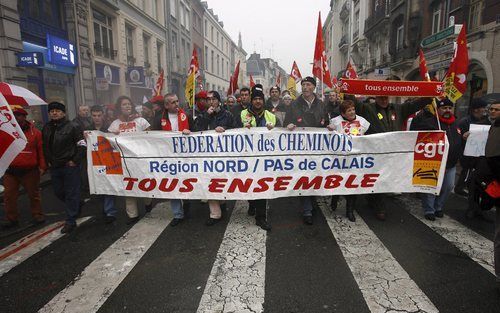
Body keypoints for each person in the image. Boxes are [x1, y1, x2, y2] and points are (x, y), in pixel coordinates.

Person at [353, 92, 429, 220]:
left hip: (393, 152)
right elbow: (353, 103)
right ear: (376, 97)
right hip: (376, 151)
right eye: (381, 97)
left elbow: (416, 104)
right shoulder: (367, 108)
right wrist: (347, 90)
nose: (383, 100)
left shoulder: (398, 109)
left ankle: (373, 199)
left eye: (385, 98)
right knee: (378, 177)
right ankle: (380, 207)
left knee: (386, 178)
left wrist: (429, 95)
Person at [284, 76, 328, 225]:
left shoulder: (322, 105)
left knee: (315, 175)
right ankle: (307, 209)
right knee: (304, 176)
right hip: (301, 148)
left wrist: (329, 127)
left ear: (313, 87)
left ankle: (311, 200)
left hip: (318, 148)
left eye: (308, 84)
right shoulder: (294, 105)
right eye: (303, 84)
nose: (304, 87)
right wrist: (289, 124)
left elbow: (326, 122)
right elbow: (286, 123)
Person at [410, 98, 462, 221]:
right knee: (430, 186)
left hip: (450, 163)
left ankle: (438, 206)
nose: (447, 110)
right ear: (438, 110)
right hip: (434, 162)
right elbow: (417, 134)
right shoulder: (430, 123)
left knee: (448, 186)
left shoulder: (456, 123)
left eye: (449, 108)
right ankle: (429, 209)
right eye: (444, 108)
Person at [192, 90, 236, 226]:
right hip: (207, 155)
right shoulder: (203, 114)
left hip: (223, 155)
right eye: (208, 99)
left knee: (221, 181)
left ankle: (222, 204)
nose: (210, 102)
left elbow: (235, 130)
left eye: (213, 99)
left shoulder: (227, 114)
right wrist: (206, 116)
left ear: (218, 100)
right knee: (209, 181)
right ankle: (215, 214)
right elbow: (197, 128)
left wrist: (224, 129)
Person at [42, 101, 86, 233]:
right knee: (58, 191)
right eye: (51, 111)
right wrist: (47, 161)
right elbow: (44, 146)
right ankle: (77, 204)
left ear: (63, 113)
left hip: (69, 166)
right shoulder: (46, 127)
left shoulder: (73, 126)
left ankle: (70, 220)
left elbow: (82, 145)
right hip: (55, 166)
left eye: (57, 110)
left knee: (71, 193)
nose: (54, 113)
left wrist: (74, 160)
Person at [108, 96, 153, 224]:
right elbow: (107, 143)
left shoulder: (141, 121)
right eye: (124, 104)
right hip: (125, 161)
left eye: (129, 104)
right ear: (119, 108)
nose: (127, 106)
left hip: (141, 160)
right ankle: (132, 215)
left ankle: (148, 203)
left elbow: (152, 138)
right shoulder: (114, 124)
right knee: (129, 187)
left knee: (145, 185)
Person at [1, 106, 47, 229]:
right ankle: (12, 218)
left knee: (34, 194)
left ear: (25, 117)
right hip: (10, 170)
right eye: (14, 115)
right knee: (9, 196)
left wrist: (43, 166)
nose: (16, 117)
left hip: (29, 170)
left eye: (19, 115)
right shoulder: (5, 131)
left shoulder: (36, 133)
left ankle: (37, 214)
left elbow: (41, 150)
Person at [327, 100, 370, 222]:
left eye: (353, 109)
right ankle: (334, 198)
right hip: (340, 159)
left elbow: (369, 137)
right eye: (349, 110)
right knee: (339, 181)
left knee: (352, 184)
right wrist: (330, 129)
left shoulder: (362, 122)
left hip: (355, 159)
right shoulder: (335, 121)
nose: (352, 112)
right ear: (343, 113)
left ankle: (349, 210)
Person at [151, 93, 191, 226]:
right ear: (166, 105)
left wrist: (189, 132)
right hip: (168, 158)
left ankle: (187, 202)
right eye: (173, 102)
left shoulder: (187, 116)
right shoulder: (158, 119)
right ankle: (178, 214)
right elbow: (152, 138)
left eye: (177, 101)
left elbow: (198, 132)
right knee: (173, 184)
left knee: (186, 182)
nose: (177, 104)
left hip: (186, 157)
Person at [240, 84, 276, 231]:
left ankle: (261, 217)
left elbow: (280, 135)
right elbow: (233, 130)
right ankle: (252, 203)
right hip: (247, 155)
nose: (257, 102)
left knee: (262, 185)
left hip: (264, 157)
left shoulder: (271, 116)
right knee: (249, 183)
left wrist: (274, 131)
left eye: (260, 99)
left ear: (263, 100)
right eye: (255, 98)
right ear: (251, 100)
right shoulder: (242, 114)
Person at [88, 105, 117, 224]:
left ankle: (110, 211)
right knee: (98, 185)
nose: (97, 118)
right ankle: (103, 209)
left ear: (103, 115)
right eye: (94, 116)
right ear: (91, 116)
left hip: (108, 159)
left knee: (108, 185)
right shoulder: (87, 129)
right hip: (95, 161)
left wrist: (115, 135)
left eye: (99, 115)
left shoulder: (109, 128)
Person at [456, 98, 490, 196]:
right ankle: (460, 187)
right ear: (476, 109)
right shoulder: (464, 122)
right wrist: (463, 137)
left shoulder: (486, 121)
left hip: (480, 152)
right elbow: (458, 137)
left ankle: (469, 187)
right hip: (466, 152)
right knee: (466, 170)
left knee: (476, 171)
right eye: (483, 107)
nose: (485, 110)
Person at [484, 98, 500, 292]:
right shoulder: (496, 129)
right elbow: (492, 158)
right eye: (493, 108)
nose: (493, 111)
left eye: (497, 109)